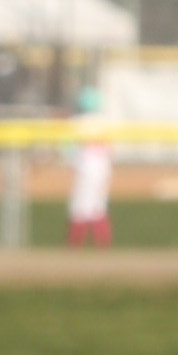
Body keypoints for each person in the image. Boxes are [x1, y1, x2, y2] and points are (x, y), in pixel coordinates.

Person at [65, 86, 113, 249]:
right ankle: (102, 245)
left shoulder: (77, 122)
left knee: (79, 208)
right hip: (103, 169)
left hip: (85, 170)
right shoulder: (105, 122)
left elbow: (66, 148)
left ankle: (74, 245)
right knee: (98, 206)